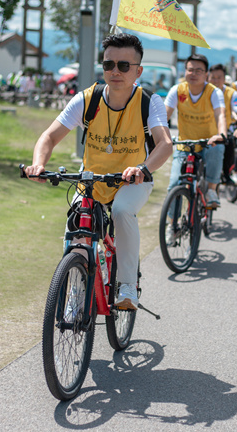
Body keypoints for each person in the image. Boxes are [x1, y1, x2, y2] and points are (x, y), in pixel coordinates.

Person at [24, 33, 172, 310]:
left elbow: (164, 145)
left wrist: (143, 168)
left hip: (133, 179)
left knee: (121, 211)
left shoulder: (149, 102)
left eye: (124, 66)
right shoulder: (87, 99)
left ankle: (127, 286)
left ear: (138, 71)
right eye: (108, 64)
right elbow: (49, 137)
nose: (115, 71)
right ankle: (76, 292)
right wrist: (39, 163)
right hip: (92, 179)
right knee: (78, 231)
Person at [164, 54, 227, 210]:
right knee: (173, 185)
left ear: (206, 74)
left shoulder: (214, 92)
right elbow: (164, 116)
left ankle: (211, 190)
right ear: (184, 71)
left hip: (208, 142)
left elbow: (221, 115)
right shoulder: (177, 90)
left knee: (218, 147)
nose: (193, 74)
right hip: (185, 144)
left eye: (199, 71)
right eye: (190, 70)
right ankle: (172, 226)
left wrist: (221, 134)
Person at [209, 64, 237, 182]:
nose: (216, 80)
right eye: (213, 77)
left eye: (219, 77)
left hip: (221, 132)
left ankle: (226, 172)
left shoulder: (232, 93)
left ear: (224, 78)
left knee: (230, 143)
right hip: (203, 131)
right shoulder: (203, 91)